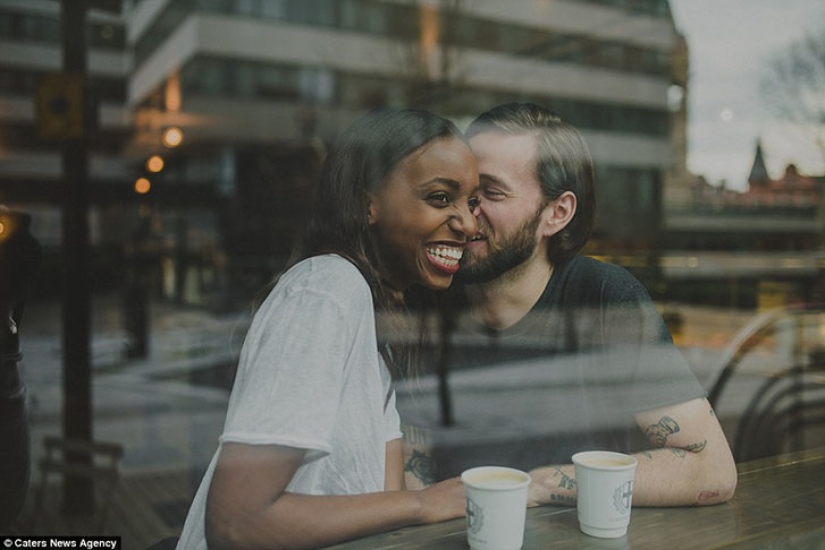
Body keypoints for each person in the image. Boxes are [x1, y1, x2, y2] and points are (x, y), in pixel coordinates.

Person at [176, 108, 479, 549]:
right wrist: (426, 504)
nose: (468, 223)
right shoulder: (327, 290)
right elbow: (237, 524)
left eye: (471, 202)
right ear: (365, 203)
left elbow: (380, 507)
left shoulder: (368, 320)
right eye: (439, 198)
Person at [420, 102, 736, 507]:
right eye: (462, 191)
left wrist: (537, 486)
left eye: (491, 192)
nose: (466, 212)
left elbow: (712, 470)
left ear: (557, 213)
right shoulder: (425, 298)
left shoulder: (603, 299)